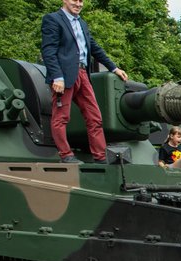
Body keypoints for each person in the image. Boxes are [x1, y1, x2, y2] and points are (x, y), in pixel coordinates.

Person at [41, 0, 129, 163]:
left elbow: (94, 48)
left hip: (83, 73)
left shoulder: (82, 23)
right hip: (65, 75)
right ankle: (66, 155)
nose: (79, 4)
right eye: (75, 0)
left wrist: (113, 68)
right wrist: (57, 77)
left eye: (81, 1)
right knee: (61, 117)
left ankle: (101, 156)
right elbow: (48, 50)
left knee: (94, 117)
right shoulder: (53, 19)